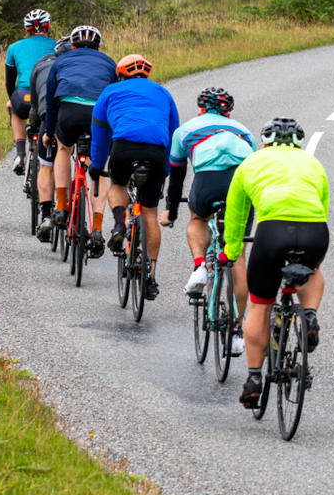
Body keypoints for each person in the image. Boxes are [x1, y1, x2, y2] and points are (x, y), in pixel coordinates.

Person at [224, 119, 330, 411]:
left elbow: (236, 215)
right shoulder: (313, 163)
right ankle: (309, 316)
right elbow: (323, 205)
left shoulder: (251, 162)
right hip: (314, 230)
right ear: (298, 142)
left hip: (272, 231)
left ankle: (254, 380)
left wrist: (232, 252)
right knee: (313, 271)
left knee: (260, 303)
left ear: (265, 141)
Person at [90, 54, 181, 300]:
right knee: (150, 211)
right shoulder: (163, 93)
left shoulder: (110, 92)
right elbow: (174, 131)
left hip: (123, 148)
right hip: (157, 152)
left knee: (118, 184)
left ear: (120, 74)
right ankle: (151, 276)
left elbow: (98, 132)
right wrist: (168, 169)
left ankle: (120, 224)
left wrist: (96, 166)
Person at [165, 87, 258, 304]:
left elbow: (177, 177)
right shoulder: (244, 132)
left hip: (208, 179)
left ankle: (199, 267)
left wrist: (171, 212)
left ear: (201, 109)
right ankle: (236, 333)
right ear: (228, 112)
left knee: (198, 219)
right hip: (240, 180)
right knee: (238, 255)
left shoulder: (184, 130)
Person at [40, 25, 117, 255]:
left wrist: (48, 131)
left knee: (63, 150)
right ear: (98, 47)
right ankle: (96, 229)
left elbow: (51, 102)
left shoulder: (60, 61)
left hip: (69, 113)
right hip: (97, 115)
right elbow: (114, 98)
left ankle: (62, 206)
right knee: (98, 166)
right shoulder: (108, 63)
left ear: (72, 46)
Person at [26, 32, 68, 240]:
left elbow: (35, 105)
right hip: (76, 119)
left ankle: (45, 216)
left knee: (47, 165)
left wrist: (32, 128)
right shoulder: (77, 67)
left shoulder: (41, 66)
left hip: (47, 118)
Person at [2, 10, 55, 177]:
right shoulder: (57, 46)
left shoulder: (14, 48)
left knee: (14, 108)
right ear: (49, 27)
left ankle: (20, 153)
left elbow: (9, 83)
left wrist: (13, 99)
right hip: (49, 95)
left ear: (27, 30)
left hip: (24, 96)